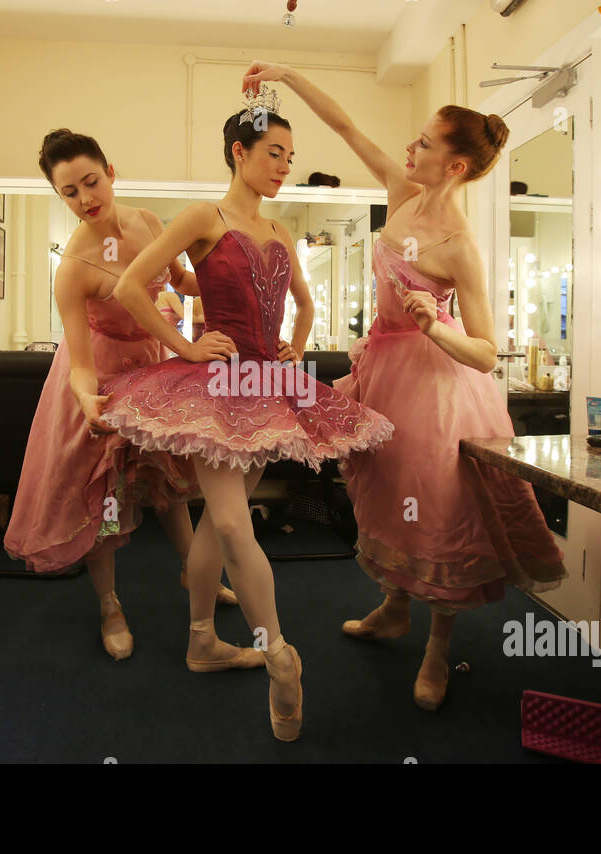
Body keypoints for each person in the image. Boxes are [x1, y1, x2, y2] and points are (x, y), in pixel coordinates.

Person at [242, 61, 567, 711]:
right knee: (385, 494)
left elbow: (486, 350)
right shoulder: (400, 191)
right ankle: (393, 607)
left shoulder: (459, 245)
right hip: (383, 373)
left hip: (440, 390)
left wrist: (436, 327)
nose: (409, 148)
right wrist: (286, 72)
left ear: (453, 167)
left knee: (440, 514)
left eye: (424, 143)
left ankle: (439, 649)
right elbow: (344, 124)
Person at [98, 105, 394, 741]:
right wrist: (183, 348)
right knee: (233, 521)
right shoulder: (206, 217)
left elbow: (307, 304)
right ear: (238, 152)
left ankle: (202, 641)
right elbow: (130, 284)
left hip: (269, 386)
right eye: (273, 154)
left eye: (289, 156)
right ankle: (279, 656)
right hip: (217, 384)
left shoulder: (283, 231)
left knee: (215, 521)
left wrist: (297, 343)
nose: (284, 167)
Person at [3, 129, 241, 666]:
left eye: (91, 182)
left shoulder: (148, 222)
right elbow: (81, 363)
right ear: (59, 195)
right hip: (106, 378)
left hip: (154, 363)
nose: (86, 199)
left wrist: (232, 278)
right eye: (70, 192)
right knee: (107, 494)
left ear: (111, 173)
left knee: (173, 481)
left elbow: (180, 280)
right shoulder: (73, 269)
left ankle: (193, 571)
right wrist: (89, 402)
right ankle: (110, 604)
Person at [154, 285, 186, 358]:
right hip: (170, 340)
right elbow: (187, 318)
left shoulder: (146, 300)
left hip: (154, 343)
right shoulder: (169, 296)